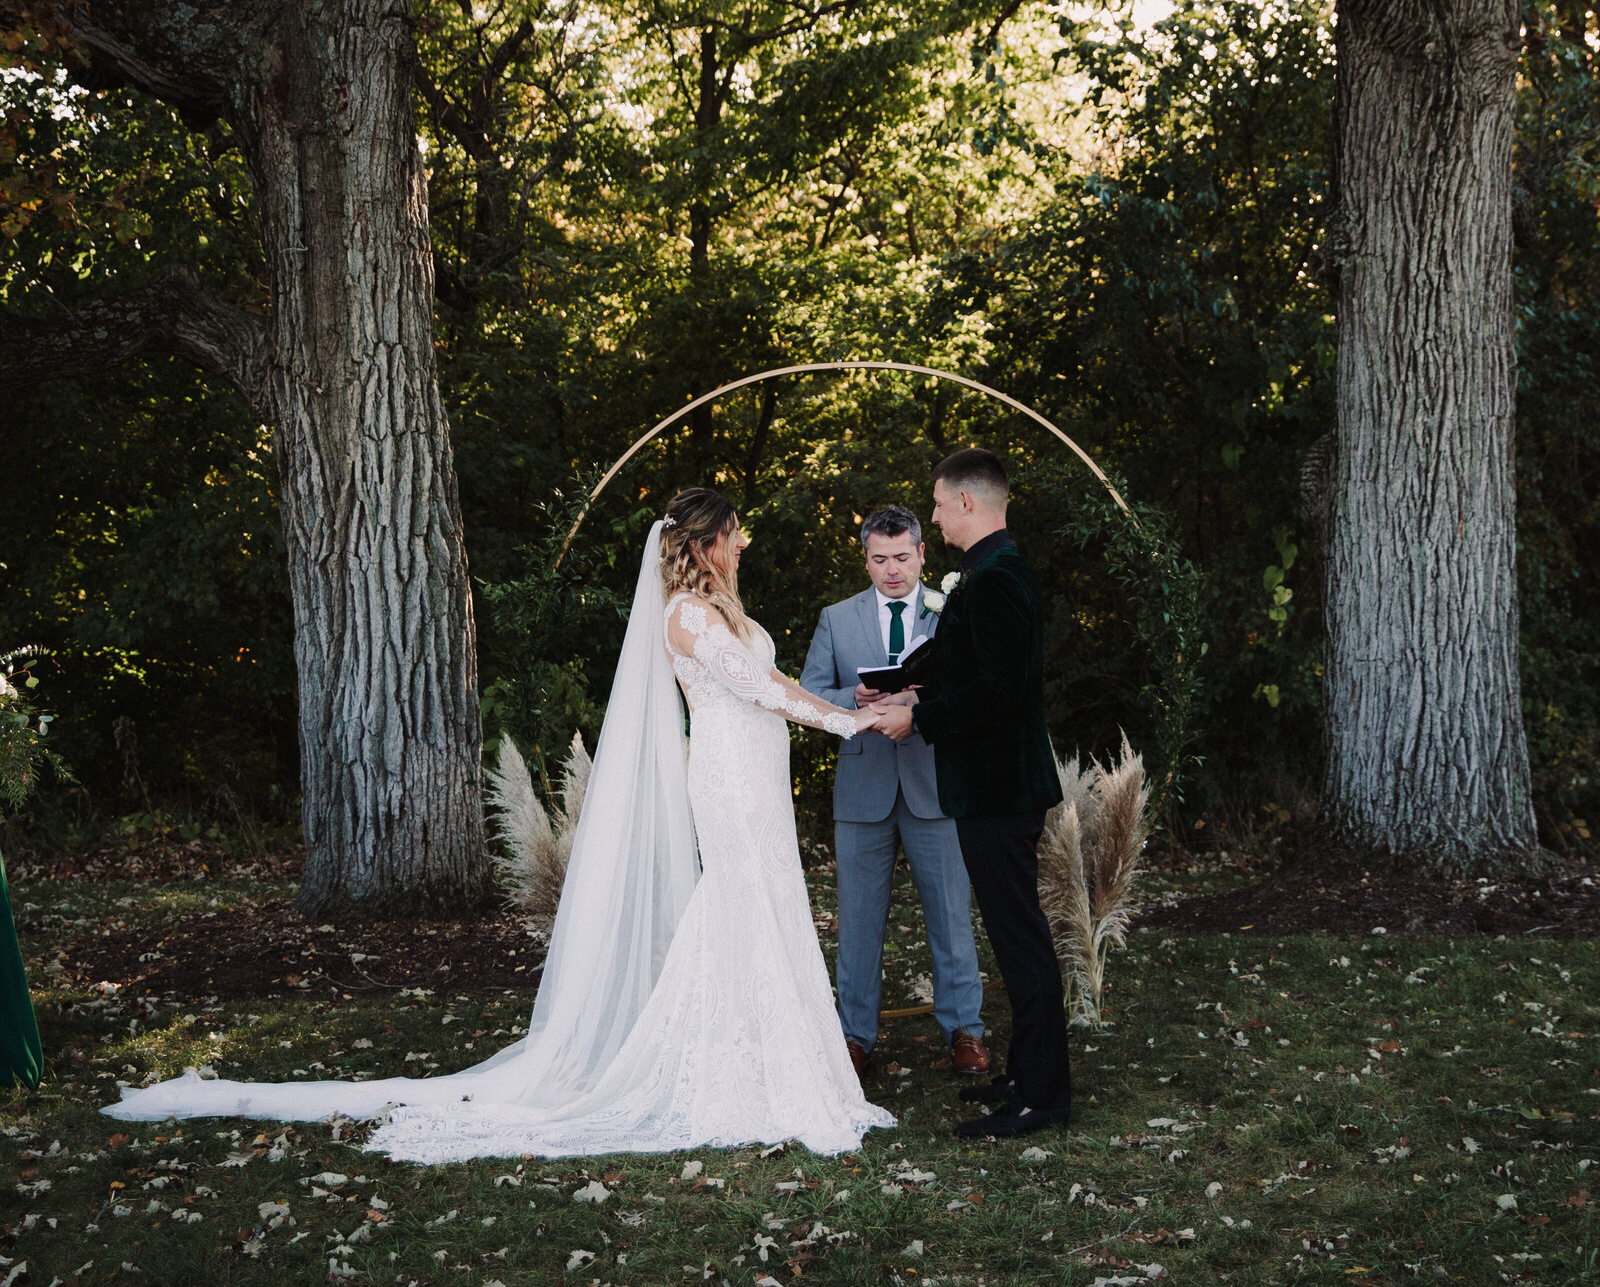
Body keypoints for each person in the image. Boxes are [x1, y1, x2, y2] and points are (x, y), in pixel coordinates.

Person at [103, 490, 896, 1162]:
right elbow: (758, 690)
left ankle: (767, 1061)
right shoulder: (685, 615)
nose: (743, 543)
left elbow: (779, 679)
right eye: (735, 534)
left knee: (766, 903)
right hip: (726, 778)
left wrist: (852, 707)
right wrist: (852, 730)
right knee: (737, 904)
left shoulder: (725, 607)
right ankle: (726, 1070)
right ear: (708, 545)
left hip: (759, 776)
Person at [877, 449, 1071, 1139]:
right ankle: (1023, 1075)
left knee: (1021, 941)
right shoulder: (987, 572)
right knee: (1012, 937)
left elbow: (1002, 689)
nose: (930, 515)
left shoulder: (998, 577)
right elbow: (973, 666)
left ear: (965, 503)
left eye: (935, 504)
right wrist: (913, 689)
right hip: (988, 787)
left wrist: (918, 719)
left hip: (1001, 788)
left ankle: (1042, 1098)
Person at [800, 505, 987, 1082]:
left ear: (923, 554)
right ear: (865, 559)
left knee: (952, 915)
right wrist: (849, 697)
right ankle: (855, 1039)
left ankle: (966, 1032)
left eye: (902, 557)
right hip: (863, 787)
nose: (892, 571)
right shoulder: (836, 617)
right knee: (857, 921)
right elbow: (807, 694)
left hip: (937, 782)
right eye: (879, 560)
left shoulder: (953, 609)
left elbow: (978, 686)